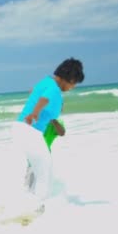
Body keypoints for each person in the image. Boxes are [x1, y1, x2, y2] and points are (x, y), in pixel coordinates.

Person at [13, 58, 84, 206]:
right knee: (45, 173)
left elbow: (36, 92)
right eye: (73, 84)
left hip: (22, 129)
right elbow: (44, 99)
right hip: (31, 131)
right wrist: (35, 113)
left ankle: (27, 201)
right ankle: (36, 207)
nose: (72, 87)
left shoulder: (45, 82)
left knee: (40, 170)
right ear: (69, 79)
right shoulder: (54, 89)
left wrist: (35, 107)